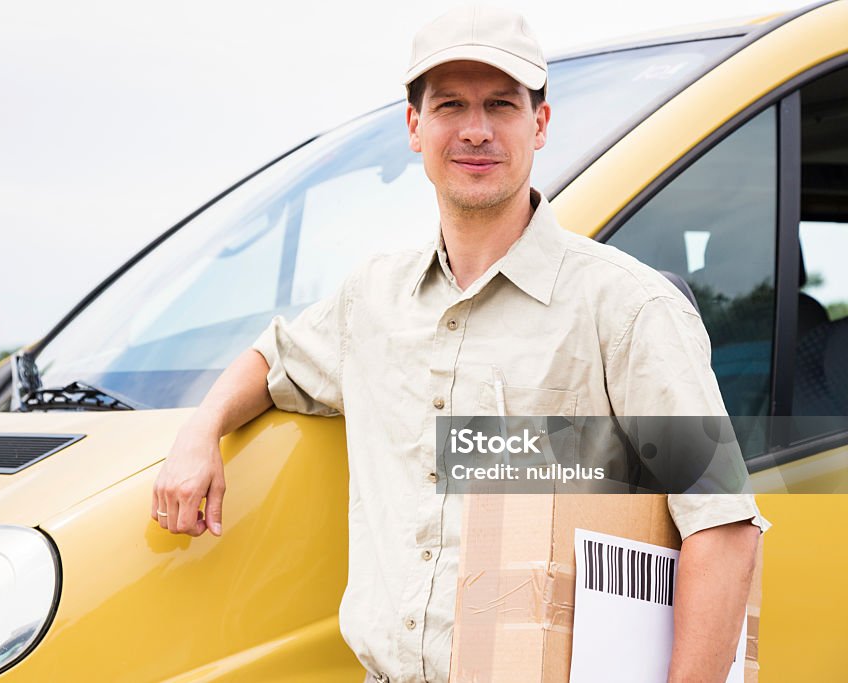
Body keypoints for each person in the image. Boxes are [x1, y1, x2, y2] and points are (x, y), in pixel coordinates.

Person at [151, 5, 770, 682]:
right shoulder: (372, 300)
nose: (476, 130)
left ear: (540, 123)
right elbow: (275, 358)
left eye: (500, 105)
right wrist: (201, 429)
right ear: (415, 126)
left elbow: (723, 527)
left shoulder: (629, 310)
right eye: (451, 105)